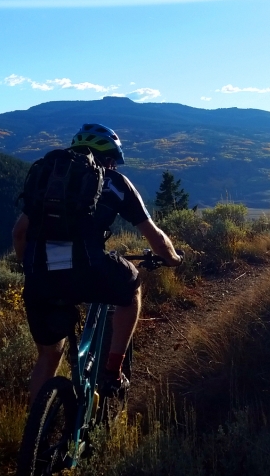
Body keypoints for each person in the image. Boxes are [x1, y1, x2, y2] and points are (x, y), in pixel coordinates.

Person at [12, 123, 183, 404]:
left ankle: (35, 437)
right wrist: (173, 259)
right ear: (109, 158)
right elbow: (154, 236)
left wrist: (29, 269)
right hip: (88, 270)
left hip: (40, 275)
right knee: (132, 287)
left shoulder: (49, 180)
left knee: (48, 356)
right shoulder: (116, 182)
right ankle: (113, 371)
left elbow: (19, 234)